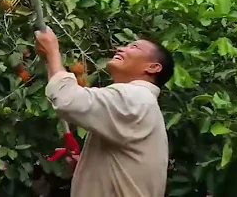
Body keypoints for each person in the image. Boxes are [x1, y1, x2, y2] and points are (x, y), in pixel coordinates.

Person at [35, 27, 174, 197]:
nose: (120, 49)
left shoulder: (136, 98)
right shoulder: (142, 102)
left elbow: (67, 99)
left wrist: (52, 52)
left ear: (153, 67)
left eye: (134, 47)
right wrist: (89, 167)